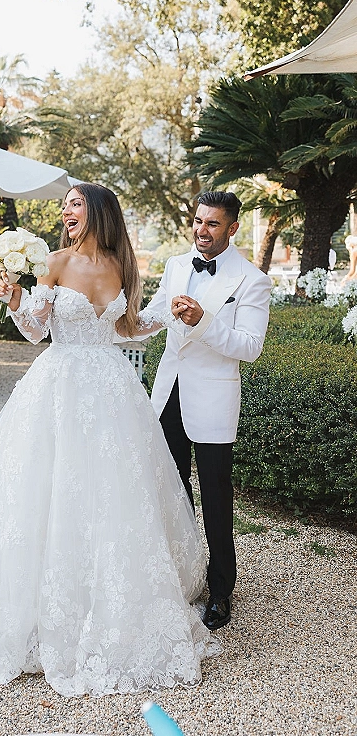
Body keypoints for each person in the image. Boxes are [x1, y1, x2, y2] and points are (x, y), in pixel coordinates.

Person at [0, 183, 220, 698]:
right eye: (63, 204)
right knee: (51, 489)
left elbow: (128, 327)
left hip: (111, 390)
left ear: (99, 212)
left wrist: (165, 315)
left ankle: (115, 600)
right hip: (58, 386)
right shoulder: (56, 262)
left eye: (75, 203)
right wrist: (17, 300)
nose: (65, 211)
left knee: (113, 495)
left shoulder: (123, 265)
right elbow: (35, 332)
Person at [144, 191, 272, 631]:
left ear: (232, 228)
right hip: (169, 393)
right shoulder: (177, 265)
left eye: (213, 224)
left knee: (216, 498)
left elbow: (249, 348)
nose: (202, 230)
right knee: (173, 489)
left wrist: (204, 321)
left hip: (214, 398)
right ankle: (181, 577)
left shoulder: (252, 280)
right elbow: (154, 317)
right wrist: (108, 321)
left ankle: (221, 592)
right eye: (198, 221)